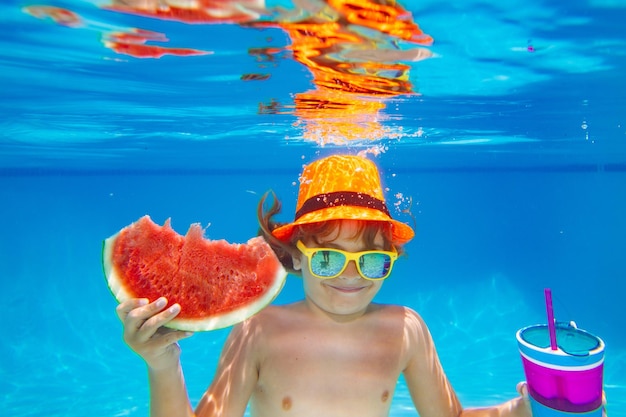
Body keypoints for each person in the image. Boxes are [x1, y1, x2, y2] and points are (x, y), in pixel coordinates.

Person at [116, 154, 532, 417]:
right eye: (329, 258)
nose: (350, 276)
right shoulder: (259, 330)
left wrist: (522, 410)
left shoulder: (406, 329)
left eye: (371, 261)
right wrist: (162, 364)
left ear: (390, 259)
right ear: (297, 255)